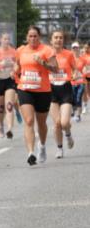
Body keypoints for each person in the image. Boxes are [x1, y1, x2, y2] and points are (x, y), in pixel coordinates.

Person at [14, 25, 58, 166]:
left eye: (35, 36)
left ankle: (42, 146)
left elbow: (55, 69)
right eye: (30, 36)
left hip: (43, 91)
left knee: (41, 123)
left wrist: (43, 63)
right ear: (27, 37)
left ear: (39, 37)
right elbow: (17, 67)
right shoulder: (20, 50)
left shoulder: (46, 50)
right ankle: (31, 153)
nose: (33, 38)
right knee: (28, 121)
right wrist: (13, 72)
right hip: (25, 89)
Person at [48, 29, 76, 158]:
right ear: (51, 40)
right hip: (51, 89)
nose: (58, 40)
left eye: (60, 38)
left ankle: (68, 134)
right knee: (57, 123)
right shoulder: (46, 55)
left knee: (64, 123)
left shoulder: (69, 54)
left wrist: (74, 75)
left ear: (63, 40)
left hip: (65, 88)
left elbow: (75, 69)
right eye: (56, 37)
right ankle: (59, 148)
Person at [0, 33, 18, 138]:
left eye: (8, 39)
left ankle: (10, 128)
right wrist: (0, 64)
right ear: (0, 40)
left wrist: (14, 70)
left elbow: (17, 64)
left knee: (9, 105)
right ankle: (1, 125)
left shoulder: (13, 51)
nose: (6, 41)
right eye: (5, 39)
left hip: (9, 80)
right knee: (1, 107)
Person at [71, 41, 84, 121]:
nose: (75, 49)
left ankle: (78, 115)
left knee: (78, 98)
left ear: (79, 49)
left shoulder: (83, 59)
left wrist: (82, 74)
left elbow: (87, 69)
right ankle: (73, 111)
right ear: (72, 49)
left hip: (80, 82)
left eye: (77, 48)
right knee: (72, 98)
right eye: (74, 48)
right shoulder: (69, 59)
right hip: (72, 82)